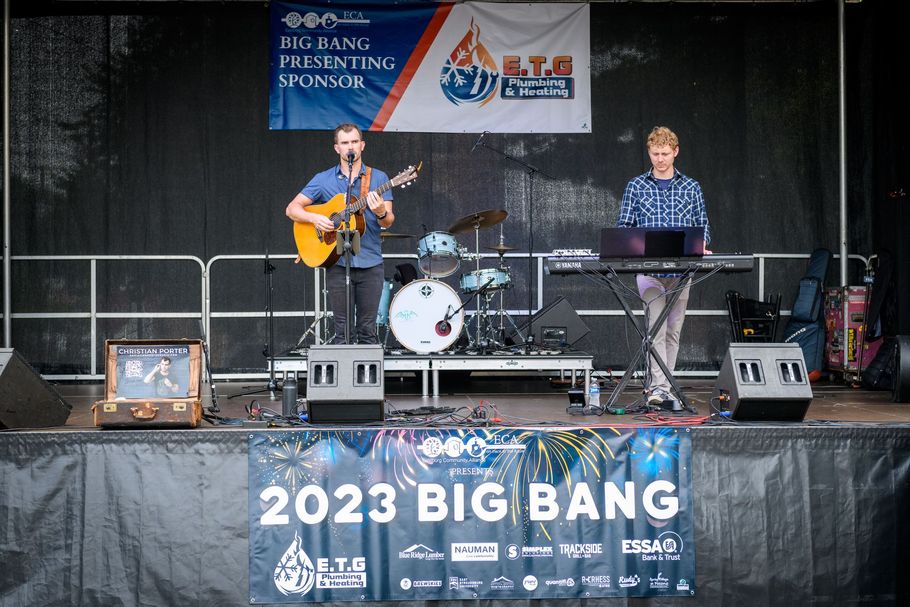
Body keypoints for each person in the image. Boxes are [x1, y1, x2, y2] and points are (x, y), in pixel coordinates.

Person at [617, 126, 711, 405]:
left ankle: (666, 387)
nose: (660, 159)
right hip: (649, 272)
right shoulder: (636, 186)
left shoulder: (691, 187)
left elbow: (702, 224)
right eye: (655, 154)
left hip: (681, 272)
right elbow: (624, 226)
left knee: (673, 331)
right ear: (649, 152)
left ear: (675, 152)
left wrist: (702, 244)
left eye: (665, 154)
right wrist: (630, 247)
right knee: (655, 329)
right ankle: (658, 388)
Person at [285, 123, 395, 344]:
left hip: (371, 262)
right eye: (345, 143)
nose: (350, 147)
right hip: (338, 263)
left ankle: (367, 367)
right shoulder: (323, 179)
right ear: (337, 148)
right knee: (342, 332)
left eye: (354, 141)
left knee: (368, 330)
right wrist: (315, 218)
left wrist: (381, 212)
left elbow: (388, 221)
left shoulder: (378, 178)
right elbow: (291, 209)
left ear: (362, 145)